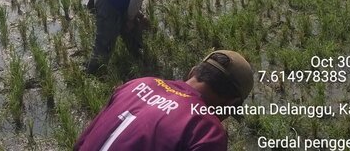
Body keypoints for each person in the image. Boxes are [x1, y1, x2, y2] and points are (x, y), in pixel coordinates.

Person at [75, 50, 255, 150]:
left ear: (192, 72)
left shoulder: (137, 84)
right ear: (230, 105)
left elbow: (81, 144)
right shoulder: (206, 130)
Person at [85, 0, 176, 74]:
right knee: (105, 41)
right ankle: (94, 73)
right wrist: (130, 18)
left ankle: (138, 58)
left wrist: (139, 16)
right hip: (110, 3)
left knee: (130, 30)